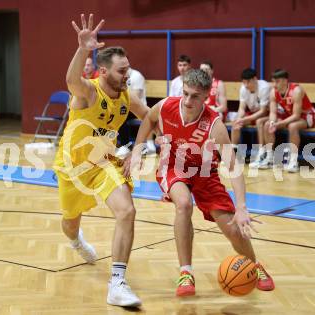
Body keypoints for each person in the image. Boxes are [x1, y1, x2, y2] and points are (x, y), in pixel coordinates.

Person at [130, 69, 275, 297]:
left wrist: (242, 206)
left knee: (234, 230)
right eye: (186, 93)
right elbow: (148, 118)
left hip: (206, 175)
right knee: (184, 204)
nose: (188, 100)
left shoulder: (214, 125)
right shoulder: (166, 105)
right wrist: (138, 149)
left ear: (206, 96)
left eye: (195, 96)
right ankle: (186, 272)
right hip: (173, 167)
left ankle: (254, 266)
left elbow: (233, 166)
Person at [53, 13, 150, 307]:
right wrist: (83, 48)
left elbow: (150, 117)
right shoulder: (89, 93)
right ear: (104, 72)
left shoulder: (127, 96)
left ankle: (117, 283)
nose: (128, 75)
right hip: (73, 167)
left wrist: (137, 149)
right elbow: (71, 79)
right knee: (70, 224)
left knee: (127, 211)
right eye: (122, 71)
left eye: (128, 69)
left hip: (103, 164)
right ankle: (76, 240)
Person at [259, 69, 315, 172]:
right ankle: (269, 158)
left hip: (307, 115)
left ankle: (293, 161)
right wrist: (273, 123)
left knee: (293, 126)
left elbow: (296, 115)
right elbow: (273, 113)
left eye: (277, 82)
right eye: (273, 81)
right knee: (268, 124)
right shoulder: (273, 92)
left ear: (285, 81)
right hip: (289, 114)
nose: (274, 84)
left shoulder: (296, 90)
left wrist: (280, 124)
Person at [230, 68, 271, 168]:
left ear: (255, 79)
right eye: (244, 82)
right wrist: (239, 118)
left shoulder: (264, 87)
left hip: (267, 113)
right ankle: (233, 153)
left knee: (259, 122)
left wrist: (244, 119)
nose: (246, 85)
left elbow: (263, 111)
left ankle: (262, 152)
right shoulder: (243, 89)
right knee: (236, 123)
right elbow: (242, 108)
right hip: (253, 113)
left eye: (248, 82)